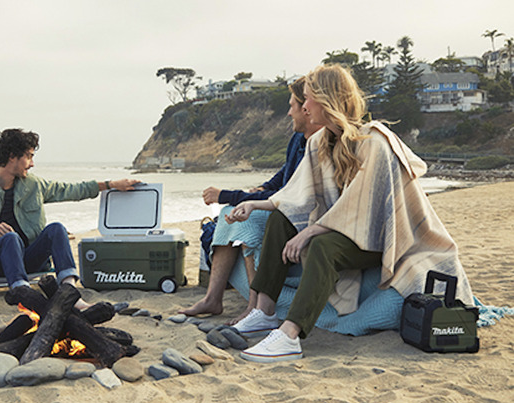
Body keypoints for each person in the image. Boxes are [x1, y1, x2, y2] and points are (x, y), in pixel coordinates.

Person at [226, 64, 474, 362]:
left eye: (308, 99)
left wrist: (310, 231)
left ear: (326, 99)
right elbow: (296, 195)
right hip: (348, 231)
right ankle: (264, 312)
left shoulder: (374, 142)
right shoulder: (319, 142)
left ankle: (290, 336)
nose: (304, 106)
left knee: (322, 245)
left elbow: (361, 207)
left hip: (382, 238)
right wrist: (256, 204)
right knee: (280, 219)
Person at [180, 77, 322, 324]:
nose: (289, 113)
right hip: (282, 205)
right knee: (229, 211)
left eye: (293, 106)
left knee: (247, 219)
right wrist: (261, 188)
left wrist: (229, 194)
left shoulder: (318, 147)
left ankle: (253, 307)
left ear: (307, 109)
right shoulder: (298, 140)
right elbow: (281, 180)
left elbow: (288, 197)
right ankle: (213, 298)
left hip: (299, 216)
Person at [0, 128, 139, 306]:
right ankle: (23, 293)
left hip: (30, 259)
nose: (32, 163)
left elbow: (71, 190)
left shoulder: (34, 185)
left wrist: (110, 184)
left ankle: (69, 291)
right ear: (12, 156)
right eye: (29, 157)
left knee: (56, 229)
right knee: (10, 238)